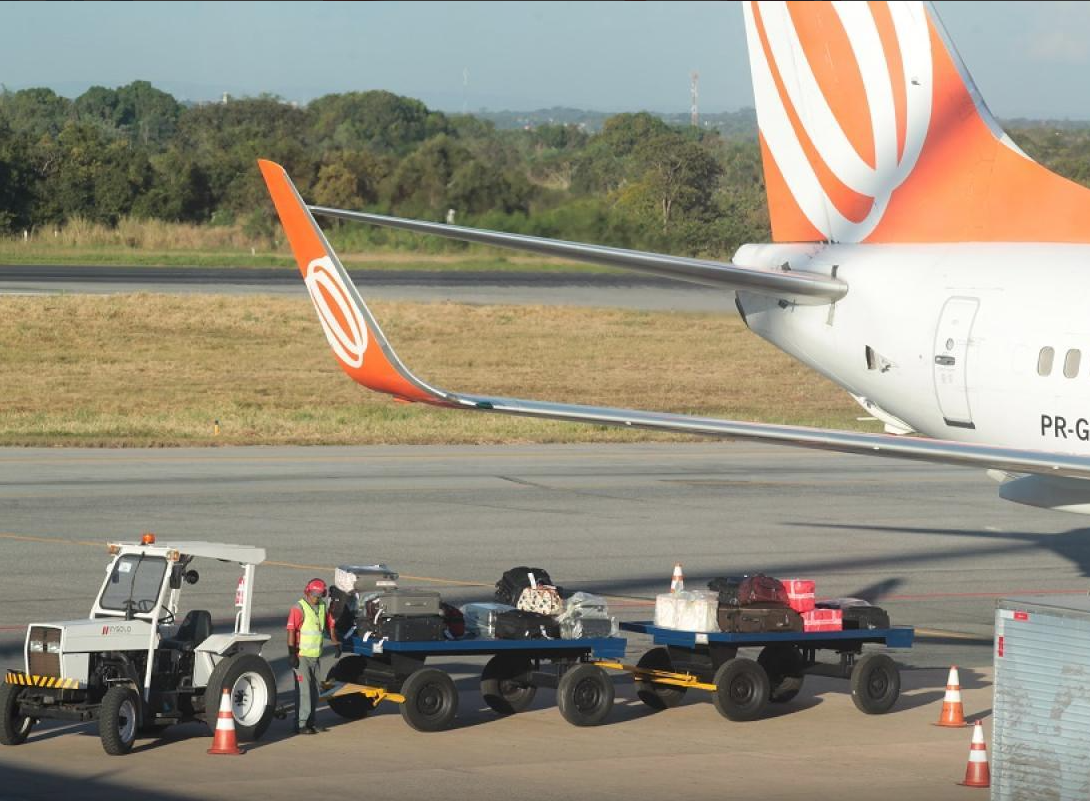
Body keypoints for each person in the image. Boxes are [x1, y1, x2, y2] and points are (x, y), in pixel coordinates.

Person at [286, 578, 340, 735]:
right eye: (314, 595)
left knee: (315, 691)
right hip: (301, 656)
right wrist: (291, 653)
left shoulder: (322, 606)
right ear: (308, 592)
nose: (316, 598)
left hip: (315, 656)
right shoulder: (298, 608)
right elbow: (290, 631)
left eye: (319, 595)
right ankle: (301, 724)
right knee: (304, 692)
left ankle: (311, 722)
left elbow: (329, 625)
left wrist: (335, 643)